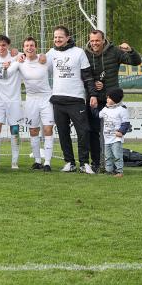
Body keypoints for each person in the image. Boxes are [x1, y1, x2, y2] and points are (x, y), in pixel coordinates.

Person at [85, 30, 142, 172]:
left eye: (97, 40)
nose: (94, 43)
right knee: (93, 132)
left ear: (103, 40)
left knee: (113, 133)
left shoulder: (114, 52)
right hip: (94, 99)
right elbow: (83, 75)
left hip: (112, 102)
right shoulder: (85, 54)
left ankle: (114, 166)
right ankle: (97, 163)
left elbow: (136, 62)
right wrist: (94, 84)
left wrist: (130, 50)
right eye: (92, 40)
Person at [46, 26, 96, 174]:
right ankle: (69, 162)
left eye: (60, 37)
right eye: (55, 37)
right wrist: (20, 56)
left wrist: (92, 94)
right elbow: (38, 63)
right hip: (58, 100)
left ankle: (84, 163)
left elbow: (87, 76)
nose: (57, 39)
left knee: (84, 131)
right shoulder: (51, 53)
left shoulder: (79, 52)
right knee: (63, 132)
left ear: (68, 37)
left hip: (76, 99)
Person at [12, 37, 55, 171]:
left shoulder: (44, 60)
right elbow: (7, 63)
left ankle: (47, 162)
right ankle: (37, 161)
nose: (29, 48)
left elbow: (55, 53)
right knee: (33, 130)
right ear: (23, 48)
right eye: (26, 46)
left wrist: (43, 56)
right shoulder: (20, 61)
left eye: (32, 45)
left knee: (48, 129)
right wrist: (15, 56)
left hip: (46, 99)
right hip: (30, 100)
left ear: (36, 47)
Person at [0, 35, 23, 170]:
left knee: (15, 129)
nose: (1, 48)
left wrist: (19, 52)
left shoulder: (17, 55)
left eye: (3, 45)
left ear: (8, 45)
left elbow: (31, 54)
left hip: (14, 99)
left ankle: (15, 162)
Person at [99, 88, 131, 177]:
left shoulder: (122, 109)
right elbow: (98, 115)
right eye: (107, 98)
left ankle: (119, 171)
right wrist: (93, 108)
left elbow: (126, 123)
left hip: (116, 138)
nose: (107, 99)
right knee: (107, 156)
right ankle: (108, 171)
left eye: (109, 98)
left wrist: (121, 132)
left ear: (115, 99)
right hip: (107, 138)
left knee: (117, 155)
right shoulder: (105, 109)